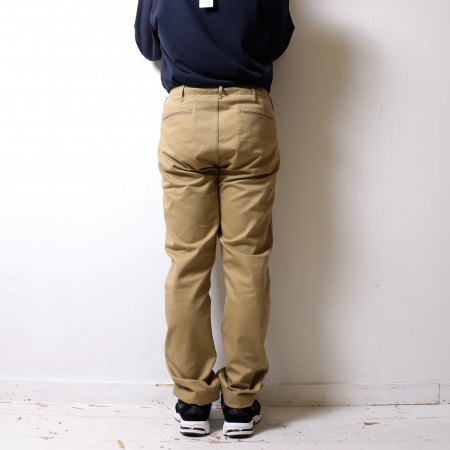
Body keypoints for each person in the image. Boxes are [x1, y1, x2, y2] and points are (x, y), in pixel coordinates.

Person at [134, 0, 294, 439]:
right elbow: (277, 42)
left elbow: (147, 45)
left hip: (185, 114)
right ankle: (240, 403)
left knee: (187, 265)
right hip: (249, 115)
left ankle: (193, 401)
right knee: (248, 264)